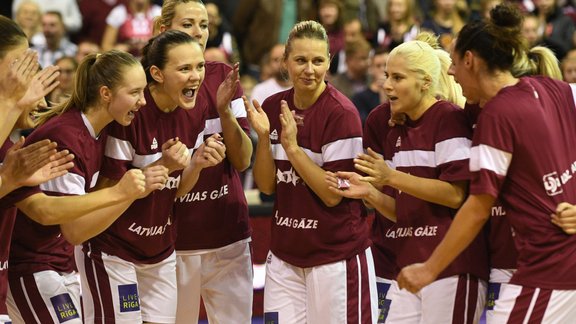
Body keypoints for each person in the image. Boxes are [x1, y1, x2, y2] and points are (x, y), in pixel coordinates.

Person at [397, 4, 576, 323]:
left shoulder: (498, 113)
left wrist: (429, 269)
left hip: (550, 269)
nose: (450, 73)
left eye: (453, 64)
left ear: (470, 60)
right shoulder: (556, 89)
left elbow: (477, 206)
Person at [327, 34, 485, 323]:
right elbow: (404, 211)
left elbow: (455, 195)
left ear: (425, 82)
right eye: (387, 75)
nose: (387, 85)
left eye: (398, 77)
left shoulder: (447, 118)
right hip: (409, 263)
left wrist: (392, 176)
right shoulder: (390, 124)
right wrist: (370, 193)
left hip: (452, 266)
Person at [6, 50, 169, 324]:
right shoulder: (66, 136)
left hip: (60, 264)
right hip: (30, 264)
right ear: (106, 94)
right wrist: (122, 193)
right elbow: (71, 228)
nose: (142, 102)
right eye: (135, 92)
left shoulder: (98, 131)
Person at [77, 30, 226, 323]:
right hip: (114, 250)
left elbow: (174, 190)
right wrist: (163, 165)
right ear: (156, 73)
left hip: (159, 251)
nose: (196, 76)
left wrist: (196, 165)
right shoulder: (131, 112)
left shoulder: (196, 110)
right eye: (184, 69)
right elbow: (105, 194)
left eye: (199, 66)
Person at [244, 20, 378, 323]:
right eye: (301, 60)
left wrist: (292, 149)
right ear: (285, 63)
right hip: (284, 257)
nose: (309, 69)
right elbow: (266, 187)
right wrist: (265, 138)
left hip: (335, 258)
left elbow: (333, 197)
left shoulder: (342, 114)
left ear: (329, 62)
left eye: (318, 61)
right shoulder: (273, 105)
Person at [155, 1, 255, 323]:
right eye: (187, 24)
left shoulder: (224, 76)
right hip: (172, 240)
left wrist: (225, 111)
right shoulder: (147, 87)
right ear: (163, 29)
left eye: (204, 24)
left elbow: (242, 160)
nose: (198, 33)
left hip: (227, 233)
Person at [351, 48, 389, 125]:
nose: (383, 69)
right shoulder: (360, 98)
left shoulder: (400, 94)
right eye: (378, 66)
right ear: (371, 69)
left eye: (386, 65)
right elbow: (366, 124)